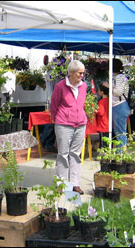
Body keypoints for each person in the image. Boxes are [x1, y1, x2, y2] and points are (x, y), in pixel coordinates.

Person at [50, 60, 87, 195]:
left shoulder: (84, 86)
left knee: (76, 155)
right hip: (64, 124)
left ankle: (75, 183)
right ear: (71, 73)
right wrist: (59, 119)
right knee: (63, 155)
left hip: (80, 123)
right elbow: (53, 106)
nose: (82, 76)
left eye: (83, 73)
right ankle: (62, 183)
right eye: (80, 73)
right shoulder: (60, 86)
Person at [111, 58, 130, 147]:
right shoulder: (121, 77)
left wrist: (109, 86)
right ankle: (121, 152)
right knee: (120, 131)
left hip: (119, 105)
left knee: (120, 132)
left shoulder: (119, 78)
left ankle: (120, 153)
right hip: (121, 106)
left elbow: (118, 92)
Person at [96, 82, 109, 148]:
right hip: (109, 124)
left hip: (103, 125)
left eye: (99, 90)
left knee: (103, 143)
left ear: (102, 92)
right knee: (108, 142)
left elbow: (101, 112)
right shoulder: (109, 100)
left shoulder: (101, 102)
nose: (98, 92)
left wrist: (95, 110)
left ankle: (103, 156)